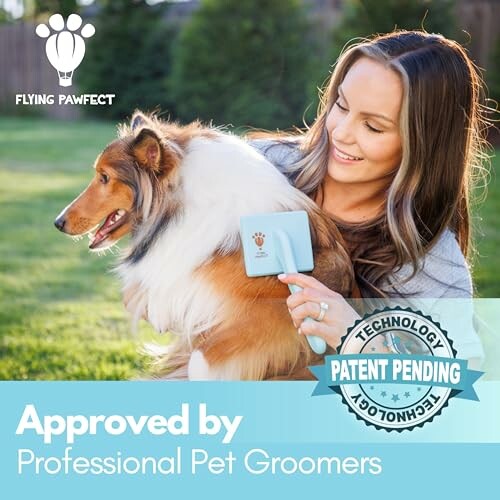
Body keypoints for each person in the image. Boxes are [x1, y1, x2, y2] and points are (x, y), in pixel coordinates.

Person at [248, 30, 490, 363]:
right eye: (341, 105)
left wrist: (359, 336)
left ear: (422, 145)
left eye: (373, 127)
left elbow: (459, 396)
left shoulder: (432, 266)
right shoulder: (261, 167)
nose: (342, 132)